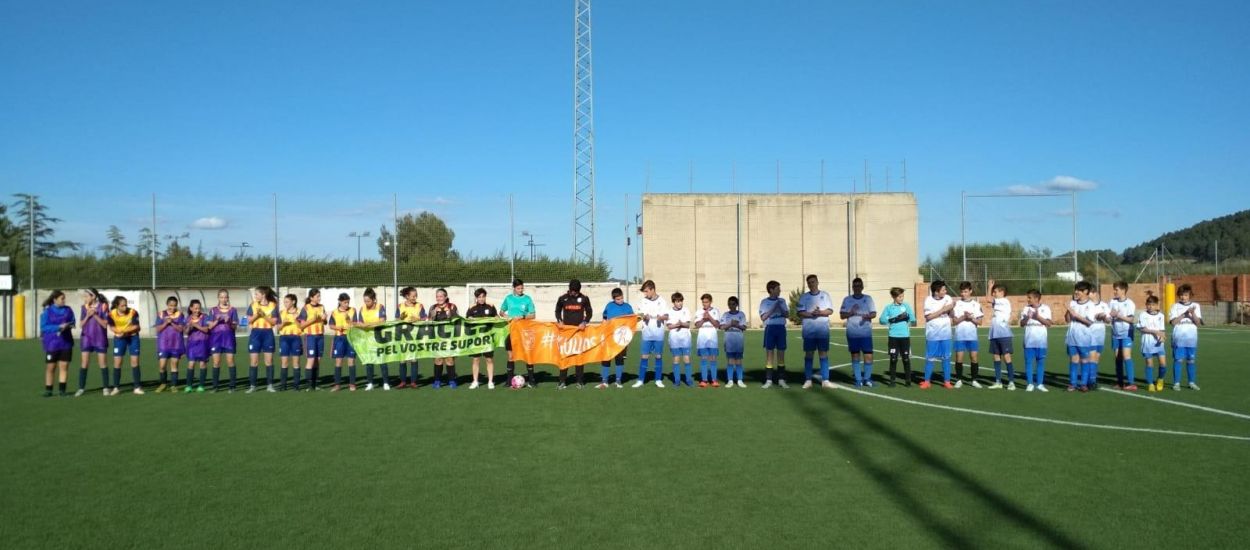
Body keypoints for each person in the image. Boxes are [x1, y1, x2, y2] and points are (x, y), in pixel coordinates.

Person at [798, 275, 837, 389]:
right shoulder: (804, 297)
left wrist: (819, 312)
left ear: (817, 282)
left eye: (813, 282)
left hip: (822, 331)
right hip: (809, 331)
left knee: (823, 354)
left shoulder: (825, 295)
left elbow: (830, 311)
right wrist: (811, 314)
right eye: (809, 282)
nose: (811, 284)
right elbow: (800, 312)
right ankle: (808, 380)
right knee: (809, 354)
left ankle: (825, 380)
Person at [555, 279, 594, 389]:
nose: (574, 293)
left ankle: (580, 381)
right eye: (572, 291)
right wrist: (559, 320)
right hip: (566, 333)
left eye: (576, 292)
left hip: (579, 333)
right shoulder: (563, 298)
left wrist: (585, 322)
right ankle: (562, 381)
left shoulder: (584, 299)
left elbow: (589, 312)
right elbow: (557, 310)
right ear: (570, 289)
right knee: (565, 356)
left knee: (579, 357)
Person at [632, 280, 668, 388]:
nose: (645, 294)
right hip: (646, 333)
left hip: (658, 333)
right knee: (644, 356)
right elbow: (639, 314)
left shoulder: (662, 301)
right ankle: (640, 380)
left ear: (652, 289)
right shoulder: (643, 301)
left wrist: (661, 317)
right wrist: (644, 316)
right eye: (644, 292)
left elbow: (666, 316)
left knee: (658, 356)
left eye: (647, 291)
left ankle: (658, 380)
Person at [879, 287, 916, 387]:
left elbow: (913, 319)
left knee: (906, 358)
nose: (901, 298)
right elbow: (882, 320)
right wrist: (894, 319)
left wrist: (908, 317)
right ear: (893, 297)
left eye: (902, 296)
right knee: (893, 358)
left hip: (905, 336)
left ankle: (908, 381)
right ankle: (892, 381)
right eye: (899, 296)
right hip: (893, 337)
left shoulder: (906, 306)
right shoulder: (889, 308)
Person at [40, 290, 75, 397]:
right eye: (62, 298)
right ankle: (48, 390)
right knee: (51, 367)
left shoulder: (68, 310)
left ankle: (62, 390)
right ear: (55, 300)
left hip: (66, 343)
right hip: (52, 343)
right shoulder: (47, 311)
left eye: (64, 298)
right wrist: (58, 327)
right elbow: (43, 327)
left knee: (64, 367)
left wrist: (69, 325)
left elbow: (73, 322)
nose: (64, 300)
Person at [1168, 284, 1203, 391]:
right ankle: (1176, 383)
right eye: (1181, 295)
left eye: (1186, 295)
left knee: (1191, 360)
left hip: (1191, 338)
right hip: (1179, 338)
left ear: (1190, 295)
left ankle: (1191, 382)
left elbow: (1198, 323)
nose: (1183, 297)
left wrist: (1192, 314)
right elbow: (1173, 322)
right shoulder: (1175, 306)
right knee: (1178, 360)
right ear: (1179, 295)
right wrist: (1184, 314)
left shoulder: (1196, 306)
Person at [922, 280, 955, 389]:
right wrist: (943, 309)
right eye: (943, 290)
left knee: (946, 358)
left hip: (946, 334)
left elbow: (951, 313)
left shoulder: (948, 298)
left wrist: (951, 311)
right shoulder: (928, 300)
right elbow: (928, 317)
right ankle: (927, 381)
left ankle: (947, 381)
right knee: (930, 358)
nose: (945, 291)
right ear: (936, 292)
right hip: (932, 334)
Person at [76, 288, 110, 397]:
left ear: (93, 296)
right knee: (84, 364)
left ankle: (105, 388)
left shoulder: (103, 306)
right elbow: (81, 325)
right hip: (86, 338)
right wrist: (88, 315)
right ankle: (81, 388)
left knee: (103, 364)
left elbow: (105, 324)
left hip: (100, 338)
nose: (84, 298)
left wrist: (95, 315)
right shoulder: (84, 307)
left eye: (86, 296)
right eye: (84, 296)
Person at [246, 286, 279, 393]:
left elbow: (274, 322)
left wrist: (263, 315)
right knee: (254, 361)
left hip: (268, 334)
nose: (255, 296)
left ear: (263, 294)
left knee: (269, 361)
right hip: (255, 334)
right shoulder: (253, 305)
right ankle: (252, 386)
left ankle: (270, 385)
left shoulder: (273, 305)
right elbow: (249, 320)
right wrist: (257, 314)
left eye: (257, 294)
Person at [599, 288, 634, 389]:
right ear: (613, 299)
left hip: (621, 338)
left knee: (619, 358)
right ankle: (604, 381)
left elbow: (632, 321)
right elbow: (605, 319)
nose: (620, 300)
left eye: (622, 298)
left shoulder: (628, 307)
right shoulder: (609, 306)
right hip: (609, 337)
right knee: (606, 358)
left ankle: (618, 381)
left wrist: (628, 338)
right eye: (618, 299)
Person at [1064, 281, 1096, 392]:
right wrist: (1068, 310)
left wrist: (1076, 315)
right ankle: (1072, 384)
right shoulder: (1073, 303)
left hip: (1084, 337)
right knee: (1073, 360)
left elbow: (1089, 322)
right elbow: (1067, 320)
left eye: (1079, 290)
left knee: (1084, 360)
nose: (1076, 292)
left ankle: (1083, 384)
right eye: (1075, 290)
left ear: (1086, 291)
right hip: (1072, 337)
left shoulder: (1090, 305)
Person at [354, 287, 389, 391]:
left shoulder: (380, 307)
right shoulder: (362, 309)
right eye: (365, 301)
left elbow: (382, 321)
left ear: (374, 299)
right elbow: (360, 323)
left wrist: (368, 324)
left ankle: (386, 382)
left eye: (368, 301)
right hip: (367, 338)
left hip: (379, 337)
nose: (366, 303)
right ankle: (370, 383)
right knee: (369, 360)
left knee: (382, 359)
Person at [1018, 289, 1053, 392]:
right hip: (1028, 341)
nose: (1027, 299)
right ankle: (1029, 384)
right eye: (1027, 297)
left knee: (1040, 362)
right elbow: (1021, 324)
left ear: (1036, 298)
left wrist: (1037, 317)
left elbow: (1049, 323)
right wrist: (1027, 318)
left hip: (1041, 341)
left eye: (1029, 297)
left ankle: (1040, 384)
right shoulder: (1025, 309)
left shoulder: (1046, 308)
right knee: (1029, 362)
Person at [108, 295, 143, 395]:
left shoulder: (133, 312)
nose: (125, 307)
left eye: (126, 305)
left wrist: (124, 331)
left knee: (134, 361)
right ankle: (116, 388)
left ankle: (137, 387)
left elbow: (136, 326)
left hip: (133, 337)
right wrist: (119, 333)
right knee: (117, 362)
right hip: (119, 339)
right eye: (122, 306)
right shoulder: (111, 314)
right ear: (117, 306)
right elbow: (112, 327)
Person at [951, 281, 983, 389]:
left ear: (970, 291)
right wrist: (964, 317)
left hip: (972, 336)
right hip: (960, 335)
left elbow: (980, 322)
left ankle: (974, 380)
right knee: (959, 358)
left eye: (965, 291)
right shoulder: (957, 304)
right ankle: (959, 380)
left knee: (974, 357)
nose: (963, 294)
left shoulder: (976, 304)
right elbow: (954, 322)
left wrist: (971, 318)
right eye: (962, 292)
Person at [465, 288, 498, 389]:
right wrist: (469, 319)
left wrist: (496, 318)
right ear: (476, 298)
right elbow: (466, 321)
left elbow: (497, 317)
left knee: (489, 359)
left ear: (485, 296)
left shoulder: (491, 306)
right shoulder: (471, 308)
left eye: (483, 296)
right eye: (479, 297)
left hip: (488, 338)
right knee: (476, 359)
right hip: (476, 339)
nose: (481, 299)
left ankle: (490, 381)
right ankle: (475, 381)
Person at [208, 289, 240, 392]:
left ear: (228, 298)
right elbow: (210, 326)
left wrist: (229, 321)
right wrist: (217, 320)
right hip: (216, 339)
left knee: (230, 361)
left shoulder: (233, 310)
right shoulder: (213, 310)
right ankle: (215, 386)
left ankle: (232, 386)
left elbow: (234, 327)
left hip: (229, 339)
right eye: (221, 297)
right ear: (218, 298)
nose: (223, 299)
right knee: (216, 362)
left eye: (225, 297)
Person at [759, 280, 789, 388]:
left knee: (781, 354)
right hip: (770, 329)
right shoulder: (764, 302)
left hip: (781, 328)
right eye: (778, 288)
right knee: (769, 355)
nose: (780, 290)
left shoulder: (782, 301)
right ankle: (769, 380)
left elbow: (787, 314)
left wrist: (780, 306)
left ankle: (781, 379)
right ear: (771, 290)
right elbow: (763, 317)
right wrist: (773, 307)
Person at [154, 296, 187, 393]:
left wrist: (171, 322)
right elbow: (158, 329)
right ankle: (163, 384)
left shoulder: (180, 315)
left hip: (176, 343)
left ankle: (173, 385)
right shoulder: (161, 314)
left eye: (174, 306)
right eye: (170, 306)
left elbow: (181, 329)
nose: (172, 308)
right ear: (167, 305)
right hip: (163, 344)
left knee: (174, 364)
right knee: (162, 365)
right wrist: (165, 323)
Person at [1108, 281, 1137, 390]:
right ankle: (1120, 382)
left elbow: (1131, 319)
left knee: (1126, 356)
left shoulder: (1130, 303)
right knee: (1117, 357)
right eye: (1114, 289)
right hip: (1115, 333)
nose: (1114, 291)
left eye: (1117, 289)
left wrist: (1118, 315)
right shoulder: (1111, 302)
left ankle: (1131, 383)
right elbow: (1109, 316)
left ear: (1123, 290)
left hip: (1126, 333)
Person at [986, 284, 1016, 390]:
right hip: (994, 333)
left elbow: (988, 299)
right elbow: (990, 300)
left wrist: (989, 286)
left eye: (996, 292)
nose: (994, 294)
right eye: (993, 292)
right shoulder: (998, 303)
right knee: (996, 356)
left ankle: (1011, 382)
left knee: (1006, 357)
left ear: (1002, 292)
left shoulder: (1004, 301)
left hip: (1004, 334)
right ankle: (998, 381)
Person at [396, 286, 427, 388]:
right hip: (403, 335)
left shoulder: (419, 305)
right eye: (413, 296)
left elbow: (425, 318)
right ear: (407, 296)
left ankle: (413, 382)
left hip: (415, 336)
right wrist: (400, 318)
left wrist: (418, 319)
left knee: (414, 358)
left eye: (416, 296)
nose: (415, 298)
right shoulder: (400, 306)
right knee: (402, 359)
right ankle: (403, 381)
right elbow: (396, 320)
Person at [297, 289, 327, 391]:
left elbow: (325, 322)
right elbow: (301, 326)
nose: (319, 298)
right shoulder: (305, 308)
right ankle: (309, 385)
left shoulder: (322, 307)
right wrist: (312, 320)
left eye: (320, 296)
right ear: (311, 298)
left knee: (318, 360)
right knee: (311, 359)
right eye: (317, 296)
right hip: (310, 336)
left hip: (320, 336)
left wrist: (324, 318)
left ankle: (315, 384)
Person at [1136, 295, 1168, 392]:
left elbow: (1162, 330)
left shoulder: (1161, 316)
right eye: (1149, 304)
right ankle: (1150, 384)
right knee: (1149, 364)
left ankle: (1160, 379)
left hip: (1159, 344)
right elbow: (1143, 329)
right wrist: (1156, 332)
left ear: (1157, 305)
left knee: (1163, 364)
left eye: (1153, 305)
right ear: (1146, 305)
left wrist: (1162, 337)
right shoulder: (1143, 315)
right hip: (1147, 343)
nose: (1150, 306)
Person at [429, 288, 460, 389]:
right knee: (438, 359)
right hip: (437, 338)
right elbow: (429, 320)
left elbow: (457, 319)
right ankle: (437, 381)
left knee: (449, 359)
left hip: (450, 338)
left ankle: (451, 380)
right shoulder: (433, 307)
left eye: (441, 296)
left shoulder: (452, 306)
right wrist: (433, 315)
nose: (439, 298)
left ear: (446, 297)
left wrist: (449, 314)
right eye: (437, 296)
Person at [328, 293, 358, 391]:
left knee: (351, 361)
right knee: (338, 361)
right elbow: (331, 325)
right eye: (345, 302)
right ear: (340, 302)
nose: (346, 304)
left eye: (348, 302)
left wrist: (349, 321)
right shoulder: (334, 312)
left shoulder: (353, 310)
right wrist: (338, 327)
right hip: (339, 338)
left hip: (350, 337)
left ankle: (352, 384)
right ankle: (337, 385)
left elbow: (355, 324)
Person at [666, 292, 694, 387]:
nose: (680, 303)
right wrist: (676, 325)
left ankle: (688, 380)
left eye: (681, 301)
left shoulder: (686, 310)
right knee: (676, 359)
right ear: (673, 302)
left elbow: (688, 324)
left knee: (687, 359)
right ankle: (677, 380)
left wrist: (681, 324)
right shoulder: (669, 311)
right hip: (674, 339)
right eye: (677, 301)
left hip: (685, 338)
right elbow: (669, 326)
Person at [277, 293, 304, 391]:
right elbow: (278, 328)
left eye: (287, 302)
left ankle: (296, 385)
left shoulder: (300, 312)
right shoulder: (281, 312)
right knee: (284, 362)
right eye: (284, 302)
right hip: (284, 338)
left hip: (296, 338)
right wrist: (283, 323)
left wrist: (296, 320)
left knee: (296, 362)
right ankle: (283, 385)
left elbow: (302, 326)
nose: (285, 304)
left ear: (293, 302)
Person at [693, 293, 721, 387]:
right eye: (703, 302)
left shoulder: (715, 311)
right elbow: (697, 325)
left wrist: (709, 317)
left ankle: (714, 380)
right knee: (704, 358)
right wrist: (703, 319)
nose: (704, 304)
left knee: (713, 358)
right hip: (702, 338)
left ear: (710, 302)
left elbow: (717, 325)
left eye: (706, 302)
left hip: (712, 338)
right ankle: (704, 380)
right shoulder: (698, 311)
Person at [720, 297, 748, 388]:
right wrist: (730, 324)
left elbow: (744, 327)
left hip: (738, 340)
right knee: (730, 360)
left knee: (739, 361)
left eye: (733, 304)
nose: (731, 306)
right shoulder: (725, 315)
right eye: (729, 304)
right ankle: (730, 380)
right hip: (729, 340)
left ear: (736, 305)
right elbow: (721, 327)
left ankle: (740, 380)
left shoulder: (741, 314)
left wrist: (737, 325)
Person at [184, 300, 211, 393]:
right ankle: (189, 386)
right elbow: (186, 332)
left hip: (203, 343)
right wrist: (189, 327)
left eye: (199, 308)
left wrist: (196, 325)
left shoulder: (205, 317)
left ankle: (201, 385)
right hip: (192, 344)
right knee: (191, 364)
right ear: (191, 308)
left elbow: (207, 330)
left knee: (202, 364)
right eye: (195, 308)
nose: (197, 310)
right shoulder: (188, 318)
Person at [1086, 290, 1110, 390]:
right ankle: (1091, 381)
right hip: (1090, 333)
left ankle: (1091, 379)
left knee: (1096, 358)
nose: (1087, 295)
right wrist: (1096, 317)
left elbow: (1108, 320)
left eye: (1089, 293)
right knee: (1091, 357)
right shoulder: (1087, 305)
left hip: (1101, 333)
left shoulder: (1104, 305)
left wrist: (1104, 317)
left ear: (1095, 293)